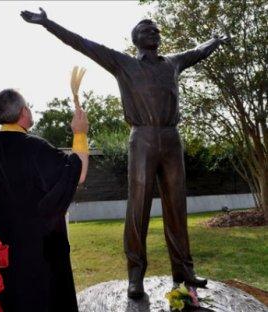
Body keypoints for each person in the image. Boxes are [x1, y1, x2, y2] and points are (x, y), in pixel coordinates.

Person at [21, 8, 230, 299]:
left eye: (156, 29)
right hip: (142, 138)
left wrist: (214, 42)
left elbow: (198, 51)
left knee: (177, 208)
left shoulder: (173, 63)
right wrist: (47, 23)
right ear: (136, 39)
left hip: (171, 139)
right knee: (138, 208)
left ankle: (184, 271)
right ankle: (135, 275)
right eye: (147, 29)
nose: (154, 32)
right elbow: (82, 42)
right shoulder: (124, 64)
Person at [0, 89, 89, 311]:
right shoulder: (34, 147)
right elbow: (78, 173)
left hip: (1, 248)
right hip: (38, 251)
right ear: (23, 111)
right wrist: (80, 133)